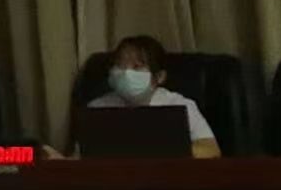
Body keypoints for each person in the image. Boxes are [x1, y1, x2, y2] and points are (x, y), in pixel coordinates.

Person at [87, 34, 218, 157]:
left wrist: (157, 150)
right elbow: (84, 154)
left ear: (159, 77)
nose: (126, 72)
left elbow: (211, 150)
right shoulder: (97, 108)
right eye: (120, 65)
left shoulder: (179, 105)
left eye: (137, 66)